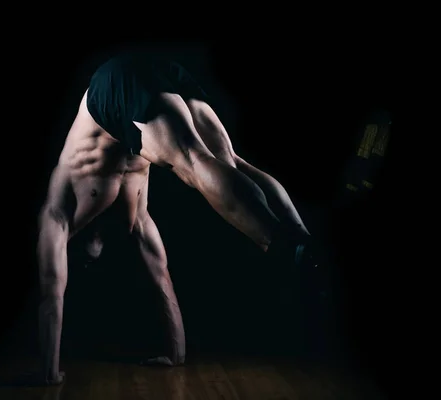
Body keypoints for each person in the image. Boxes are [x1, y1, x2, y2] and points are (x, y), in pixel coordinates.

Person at [37, 53, 311, 385]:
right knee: (229, 161)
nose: (91, 259)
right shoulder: (136, 218)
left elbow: (52, 291)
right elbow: (161, 278)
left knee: (193, 161)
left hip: (114, 88)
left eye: (85, 258)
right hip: (150, 72)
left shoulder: (58, 214)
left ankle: (285, 249)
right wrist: (176, 353)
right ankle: (303, 239)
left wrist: (50, 373)